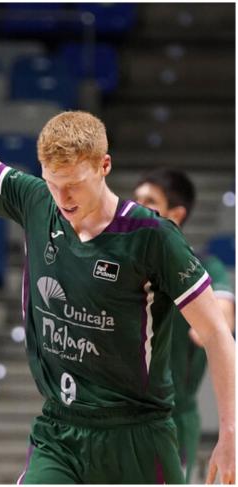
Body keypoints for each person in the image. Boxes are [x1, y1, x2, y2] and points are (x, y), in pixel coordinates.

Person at [0, 77, 235, 484]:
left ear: (104, 166)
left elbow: (218, 333)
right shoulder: (36, 202)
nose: (63, 199)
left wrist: (230, 432)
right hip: (60, 430)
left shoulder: (152, 237)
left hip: (137, 434)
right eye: (53, 183)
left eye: (74, 185)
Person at [134, 168, 235, 482]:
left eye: (149, 201)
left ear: (175, 214)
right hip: (118, 412)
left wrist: (214, 325)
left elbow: (222, 311)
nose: (136, 207)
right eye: (135, 199)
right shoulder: (118, 260)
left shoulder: (201, 265)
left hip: (173, 415)